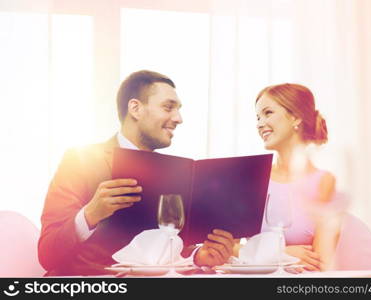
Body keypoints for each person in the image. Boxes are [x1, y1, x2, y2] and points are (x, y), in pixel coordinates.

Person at [38, 70, 234, 276]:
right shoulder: (80, 160)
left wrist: (198, 255)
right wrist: (90, 214)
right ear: (135, 108)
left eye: (178, 109)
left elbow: (164, 246)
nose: (178, 118)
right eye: (168, 107)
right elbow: (47, 254)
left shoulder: (173, 172)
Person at [254, 83, 343, 271]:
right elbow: (229, 249)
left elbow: (320, 262)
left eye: (268, 113)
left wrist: (263, 255)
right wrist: (280, 254)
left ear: (295, 117)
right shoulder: (253, 177)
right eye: (258, 117)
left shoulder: (324, 182)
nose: (260, 123)